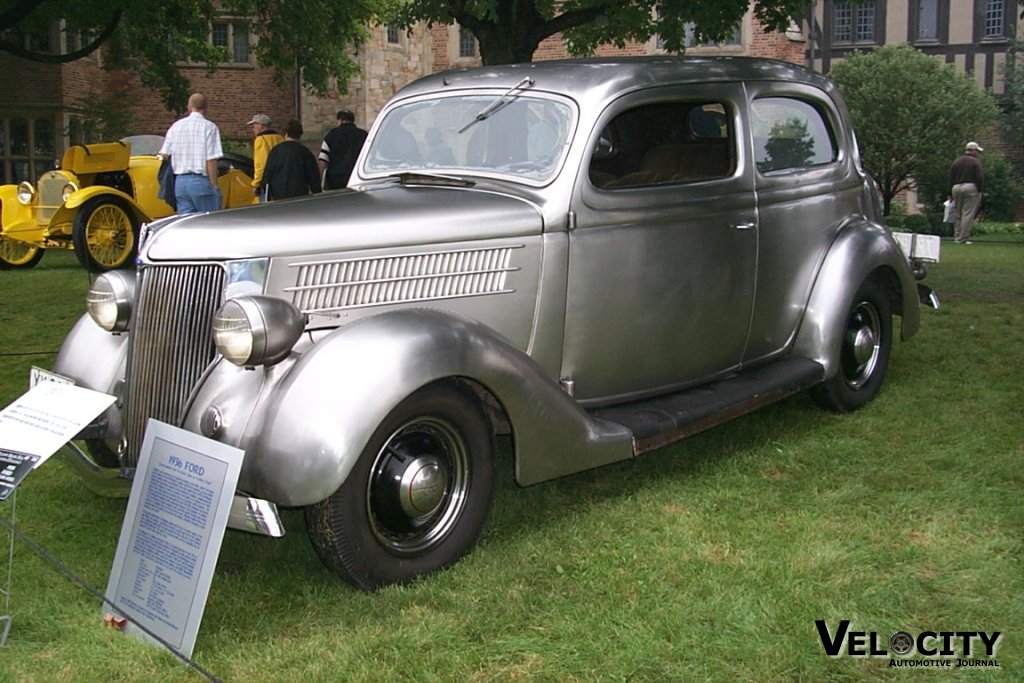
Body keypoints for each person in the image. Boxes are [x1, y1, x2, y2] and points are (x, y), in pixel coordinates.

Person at [158, 93, 224, 215]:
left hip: (180, 183)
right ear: (206, 108)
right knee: (210, 223)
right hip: (200, 181)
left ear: (188, 107)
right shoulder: (209, 127)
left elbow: (164, 154)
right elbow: (211, 160)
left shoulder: (176, 127)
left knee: (187, 224)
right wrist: (214, 186)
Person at [262, 120, 323, 201]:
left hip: (278, 195)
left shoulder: (275, 151)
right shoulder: (305, 152)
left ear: (285, 134)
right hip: (299, 196)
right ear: (300, 135)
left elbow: (267, 176)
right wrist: (317, 193)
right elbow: (314, 178)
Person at [318, 109, 368, 190]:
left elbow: (323, 160)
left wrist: (318, 182)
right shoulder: (364, 135)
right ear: (352, 120)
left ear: (339, 121)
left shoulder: (331, 135)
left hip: (334, 180)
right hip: (356, 178)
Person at [947, 141, 985, 245]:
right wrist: (980, 190)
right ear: (973, 150)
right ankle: (963, 238)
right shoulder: (975, 162)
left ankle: (957, 236)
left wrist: (949, 192)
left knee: (958, 213)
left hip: (956, 187)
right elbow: (979, 177)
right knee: (967, 214)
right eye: (976, 151)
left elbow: (950, 177)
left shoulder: (957, 161)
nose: (977, 153)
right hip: (970, 187)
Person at [247, 113, 284, 202]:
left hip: (267, 183)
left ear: (261, 125)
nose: (253, 129)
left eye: (254, 126)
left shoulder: (260, 140)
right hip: (281, 180)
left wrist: (256, 184)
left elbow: (261, 164)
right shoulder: (280, 138)